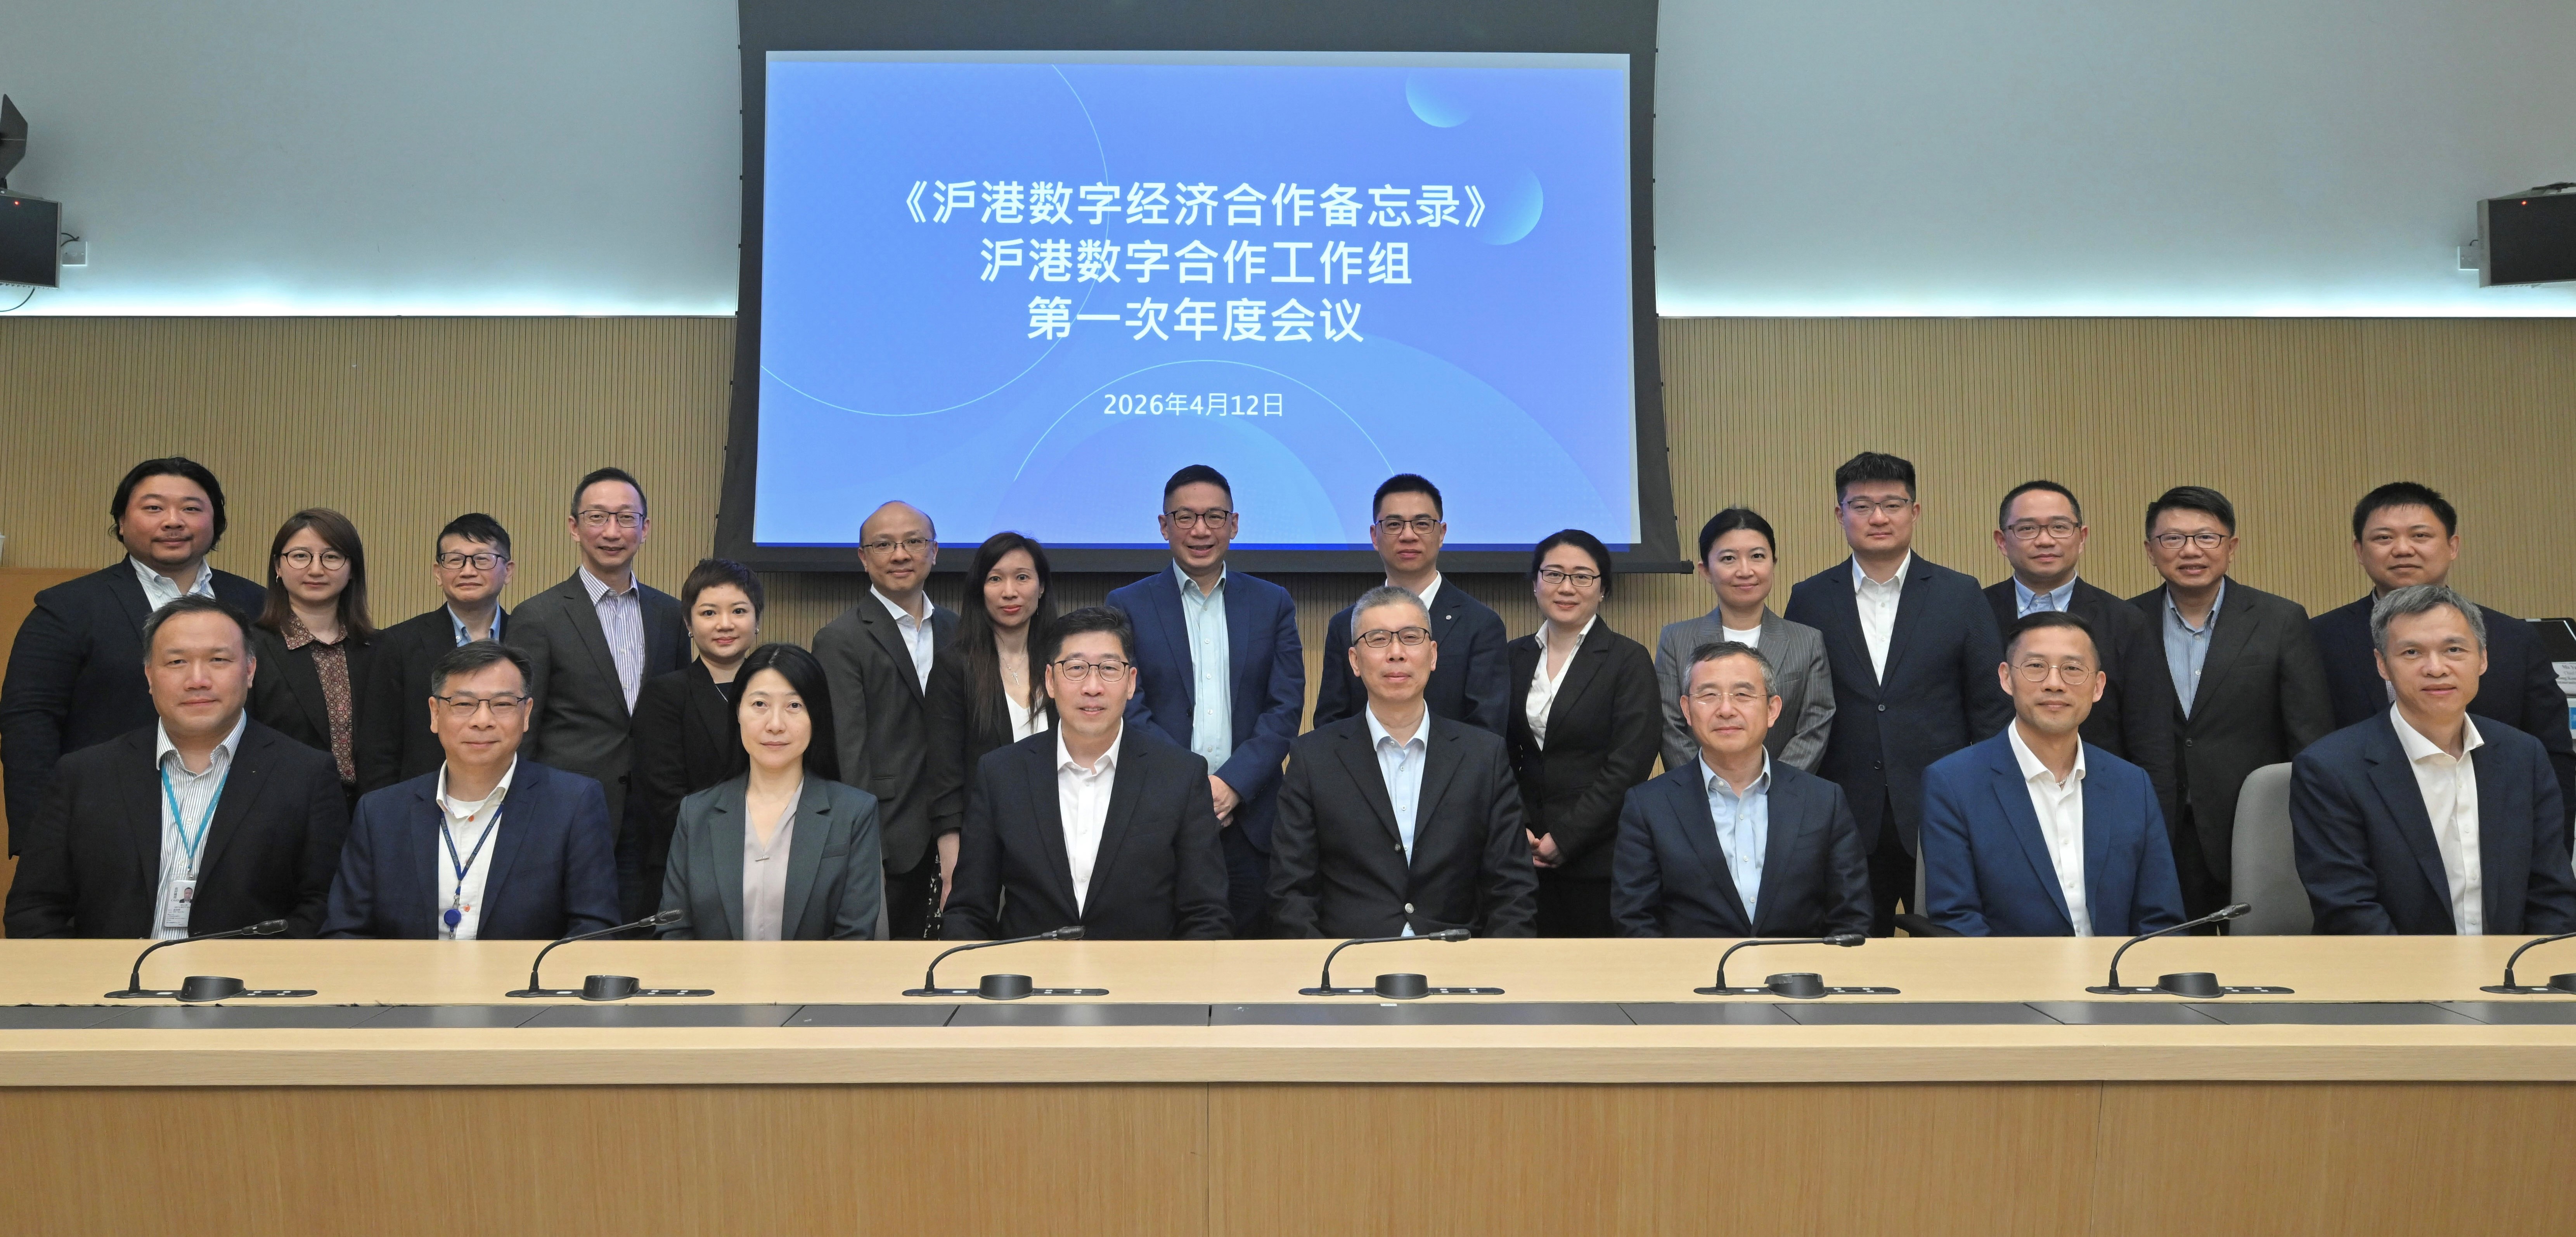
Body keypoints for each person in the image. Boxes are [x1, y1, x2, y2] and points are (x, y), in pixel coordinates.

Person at [3, 596, 348, 938]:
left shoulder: (306, 775)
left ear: (250, 670)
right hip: (110, 973)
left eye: (218, 660)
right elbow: (34, 909)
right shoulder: (84, 774)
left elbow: (321, 907)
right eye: (177, 662)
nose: (197, 680)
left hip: (245, 972)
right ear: (150, 676)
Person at [1783, 451, 2012, 935]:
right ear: (1839, 514)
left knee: (1949, 947)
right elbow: (1801, 705)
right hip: (1844, 812)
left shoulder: (1959, 593)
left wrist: (1986, 797)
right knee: (1851, 950)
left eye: (1892, 504)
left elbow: (1991, 708)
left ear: (1915, 510)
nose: (1878, 517)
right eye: (1861, 505)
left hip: (1941, 809)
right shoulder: (1810, 598)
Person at [2, 457, 265, 854]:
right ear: (122, 523)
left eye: (191, 508)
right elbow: (28, 723)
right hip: (104, 823)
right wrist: (43, 842)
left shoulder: (259, 605)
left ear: (216, 523)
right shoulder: (66, 608)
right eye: (154, 507)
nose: (173, 521)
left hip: (237, 822)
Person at [2291, 585, 2576, 936]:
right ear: (2383, 665)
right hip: (2391, 968)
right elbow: (2349, 911)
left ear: (2483, 659)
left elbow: (2552, 896)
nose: (2436, 668)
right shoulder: (2330, 768)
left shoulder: (2524, 755)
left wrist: (2529, 967)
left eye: (2454, 650)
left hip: (2513, 967)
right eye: (2412, 653)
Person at [942, 606, 1230, 940]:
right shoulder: (1001, 774)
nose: (1093, 687)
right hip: (1031, 971)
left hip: (1143, 972)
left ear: (1131, 683)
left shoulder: (1181, 776)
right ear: (1050, 681)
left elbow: (1207, 916)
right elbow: (969, 912)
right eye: (1076, 668)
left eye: (1109, 669)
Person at [1269, 586, 1537, 939]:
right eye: (1378, 639)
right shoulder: (1313, 758)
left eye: (1411, 638)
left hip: (1457, 957)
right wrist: (1323, 967)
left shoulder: (1483, 756)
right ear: (1354, 661)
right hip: (1348, 956)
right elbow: (1291, 892)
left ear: (1433, 655)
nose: (1396, 653)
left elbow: (1513, 890)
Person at [1107, 465, 1305, 936]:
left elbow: (1284, 707)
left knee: (1253, 958)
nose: (1201, 530)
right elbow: (1129, 706)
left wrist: (1232, 784)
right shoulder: (1128, 604)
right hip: (1159, 815)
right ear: (1164, 525)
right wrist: (1191, 785)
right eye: (1186, 517)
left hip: (1252, 819)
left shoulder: (1272, 602)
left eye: (1214, 516)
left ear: (1234, 524)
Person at [2125, 487, 2335, 918]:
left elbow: (2308, 734)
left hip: (2252, 824)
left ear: (2231, 547)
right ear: (2150, 550)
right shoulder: (2126, 621)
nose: (2191, 550)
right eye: (2172, 538)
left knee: (2257, 949)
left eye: (2207, 537)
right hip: (2156, 821)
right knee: (2166, 945)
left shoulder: (2280, 619)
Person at [321, 641, 620, 939]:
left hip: (523, 972)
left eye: (502, 704)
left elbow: (593, 932)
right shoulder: (381, 813)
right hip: (407, 972)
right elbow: (345, 932)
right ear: (435, 713)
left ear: (527, 713)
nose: (482, 721)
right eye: (464, 704)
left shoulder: (573, 804)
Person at [2309, 482, 2575, 808]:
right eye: (2384, 538)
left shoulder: (2513, 638)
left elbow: (2553, 754)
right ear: (2360, 552)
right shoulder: (2318, 638)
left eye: (2420, 535)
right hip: (2364, 817)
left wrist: (2554, 838)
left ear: (2453, 546)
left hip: (2494, 814)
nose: (2403, 549)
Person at [1919, 612, 2186, 937]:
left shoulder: (2132, 785)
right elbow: (1958, 920)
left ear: (2098, 686)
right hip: (2008, 969)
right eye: (2036, 666)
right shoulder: (1953, 783)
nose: (2054, 684)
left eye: (2073, 669)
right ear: (2006, 679)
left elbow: (2160, 920)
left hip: (2116, 968)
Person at [1612, 641, 1870, 938]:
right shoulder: (1649, 806)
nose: (1726, 710)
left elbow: (1852, 919)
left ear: (1772, 710)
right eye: (1709, 695)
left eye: (1743, 695)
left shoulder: (1823, 800)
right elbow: (1635, 922)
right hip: (1693, 968)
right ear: (1687, 710)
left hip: (1799, 966)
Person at [1980, 481, 2179, 829]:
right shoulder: (1975, 613)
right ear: (2002, 541)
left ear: (2082, 537)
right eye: (2027, 529)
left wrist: (2152, 832)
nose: (2045, 540)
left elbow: (2152, 740)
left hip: (2100, 807)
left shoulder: (2126, 621)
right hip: (1995, 804)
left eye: (2060, 527)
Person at [657, 643, 882, 940]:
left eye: (794, 706)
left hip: (822, 974)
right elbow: (674, 932)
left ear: (816, 717)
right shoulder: (696, 813)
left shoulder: (854, 813)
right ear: (738, 712)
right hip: (714, 974)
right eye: (760, 704)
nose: (775, 725)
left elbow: (855, 938)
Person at [511, 468, 689, 837]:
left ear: (645, 528)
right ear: (574, 527)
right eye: (597, 517)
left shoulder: (671, 613)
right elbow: (522, 725)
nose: (612, 532)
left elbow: (676, 715)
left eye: (626, 518)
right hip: (566, 809)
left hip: (654, 811)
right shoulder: (538, 616)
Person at [812, 500, 958, 939]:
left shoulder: (959, 630)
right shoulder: (841, 639)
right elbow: (848, 751)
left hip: (958, 826)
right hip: (889, 834)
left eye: (914, 541)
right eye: (883, 545)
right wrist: (864, 844)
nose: (900, 554)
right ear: (863, 557)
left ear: (935, 551)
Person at [1505, 530, 1660, 936]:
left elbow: (1629, 764)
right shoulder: (1512, 656)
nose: (1566, 587)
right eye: (1553, 574)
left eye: (1582, 576)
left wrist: (1567, 836)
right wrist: (1518, 828)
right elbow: (1497, 752)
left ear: (1603, 588)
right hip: (1521, 854)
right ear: (1535, 582)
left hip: (1598, 855)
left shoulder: (1628, 659)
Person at [620, 558, 763, 922]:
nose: (725, 624)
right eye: (709, 613)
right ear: (688, 623)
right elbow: (665, 801)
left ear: (757, 620)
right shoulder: (665, 695)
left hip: (779, 867)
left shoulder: (782, 691)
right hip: (690, 871)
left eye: (739, 611)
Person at [1313, 474, 1510, 736]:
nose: (1408, 535)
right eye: (1394, 524)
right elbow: (1331, 727)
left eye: (1422, 524)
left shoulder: (1481, 625)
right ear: (1374, 536)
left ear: (1442, 534)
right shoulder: (1345, 625)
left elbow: (1488, 732)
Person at [923, 532, 1057, 916]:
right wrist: (953, 864)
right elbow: (945, 774)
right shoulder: (955, 665)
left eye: (1022, 577)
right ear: (979, 589)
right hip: (984, 847)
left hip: (1063, 839)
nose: (1009, 592)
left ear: (1041, 587)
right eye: (995, 579)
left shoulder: (1067, 662)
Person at [1654, 508, 1835, 774]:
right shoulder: (1676, 639)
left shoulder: (1807, 641)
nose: (1745, 571)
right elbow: (1669, 726)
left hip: (1784, 791)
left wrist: (1773, 787)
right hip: (1697, 792)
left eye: (1757, 556)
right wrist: (1706, 786)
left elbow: (1815, 726)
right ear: (1706, 570)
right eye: (1729, 559)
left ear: (1773, 563)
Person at [355, 513, 515, 793]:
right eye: (455, 560)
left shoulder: (529, 639)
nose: (468, 571)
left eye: (482, 559)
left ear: (508, 571)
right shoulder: (398, 644)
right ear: (438, 573)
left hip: (514, 799)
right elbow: (378, 748)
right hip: (422, 801)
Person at [246, 508, 377, 801]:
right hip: (283, 806)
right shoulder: (250, 647)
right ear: (278, 567)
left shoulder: (380, 649)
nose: (316, 569)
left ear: (352, 570)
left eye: (331, 557)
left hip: (369, 810)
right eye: (300, 556)